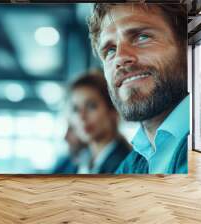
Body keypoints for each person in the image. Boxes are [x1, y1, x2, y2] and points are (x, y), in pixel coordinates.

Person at [87, 3, 189, 174]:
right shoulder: (130, 165)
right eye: (110, 50)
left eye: (142, 37)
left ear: (187, 47)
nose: (120, 58)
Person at [69, 70, 131, 174]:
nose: (81, 116)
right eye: (76, 109)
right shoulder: (77, 162)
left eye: (91, 106)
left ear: (113, 110)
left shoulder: (127, 164)